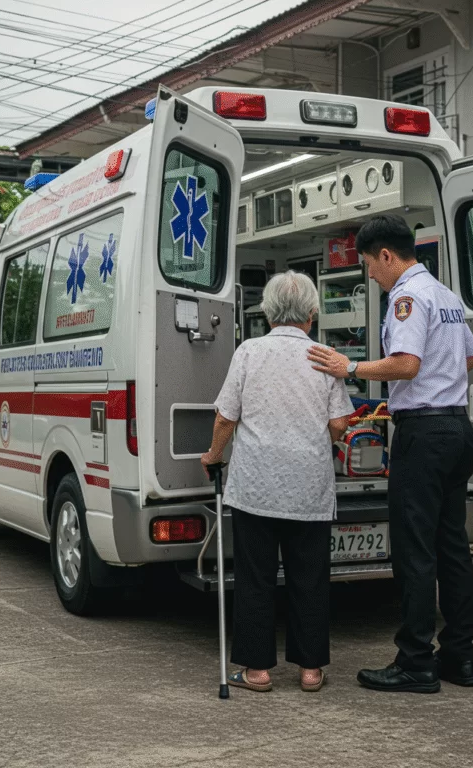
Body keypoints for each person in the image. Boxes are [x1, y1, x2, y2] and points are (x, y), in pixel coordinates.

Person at [308, 214, 473, 694]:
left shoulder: (406, 296)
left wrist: (352, 367)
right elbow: (472, 358)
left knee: (414, 551)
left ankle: (415, 662)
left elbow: (405, 364)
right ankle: (459, 659)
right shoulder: (446, 296)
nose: (368, 274)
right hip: (457, 429)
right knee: (452, 550)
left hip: (423, 436)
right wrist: (430, 382)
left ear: (386, 255)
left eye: (368, 264)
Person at [201, 270, 353, 693]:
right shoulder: (324, 356)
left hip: (256, 487)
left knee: (256, 577)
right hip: (309, 487)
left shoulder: (250, 351)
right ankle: (309, 670)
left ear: (268, 313)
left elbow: (226, 416)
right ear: (311, 313)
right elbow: (339, 423)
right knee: (310, 577)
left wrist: (213, 455)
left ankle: (257, 670)